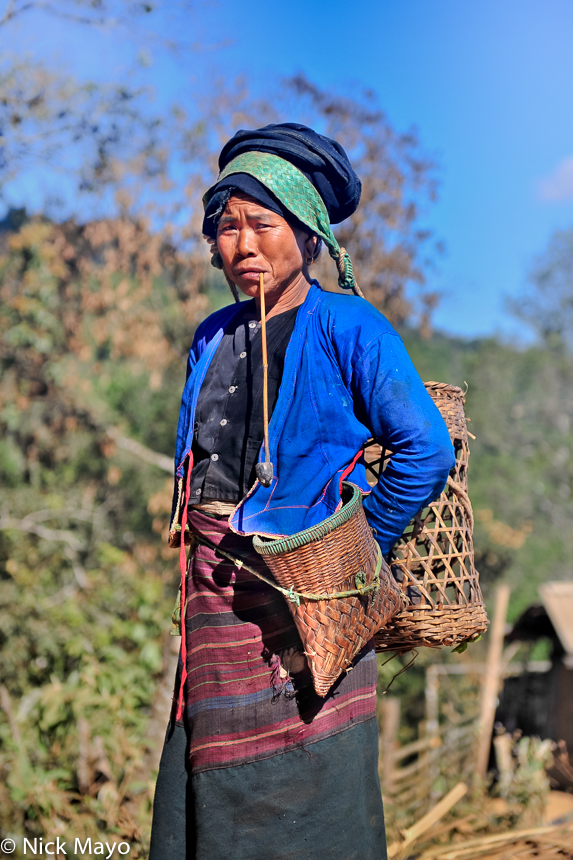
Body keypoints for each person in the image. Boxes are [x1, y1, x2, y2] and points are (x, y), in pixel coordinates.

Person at [149, 123, 455, 860]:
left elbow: (426, 449)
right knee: (210, 760)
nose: (243, 244)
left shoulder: (352, 326)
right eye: (226, 227)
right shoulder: (209, 335)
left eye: (263, 224)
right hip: (213, 600)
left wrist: (354, 554)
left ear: (311, 236)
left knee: (312, 783)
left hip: (308, 603)